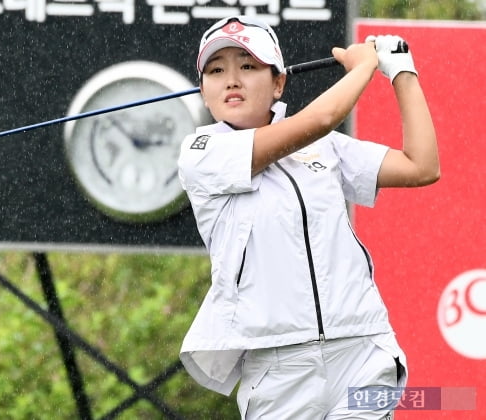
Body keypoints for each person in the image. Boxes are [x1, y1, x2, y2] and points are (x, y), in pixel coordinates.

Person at [177, 15, 439, 420]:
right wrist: (365, 65)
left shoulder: (326, 149)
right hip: (277, 368)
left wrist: (402, 70)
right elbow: (316, 120)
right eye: (216, 70)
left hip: (361, 351)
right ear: (203, 91)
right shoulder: (201, 151)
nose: (231, 79)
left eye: (247, 66)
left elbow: (421, 166)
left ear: (278, 83)